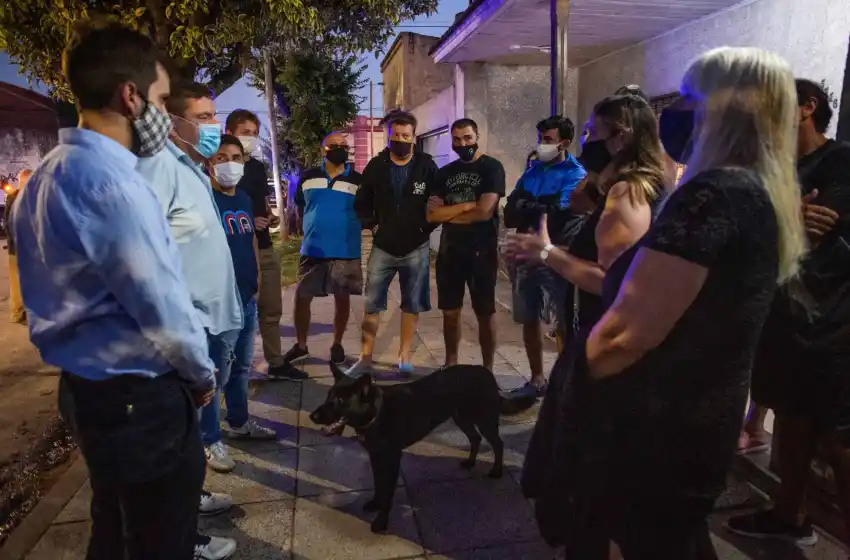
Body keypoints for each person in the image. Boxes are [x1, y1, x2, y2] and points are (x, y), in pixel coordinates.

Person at [510, 46, 806, 558]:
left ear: (726, 111)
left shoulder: (713, 195)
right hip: (699, 419)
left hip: (656, 427)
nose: (674, 112)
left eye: (690, 98)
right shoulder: (759, 191)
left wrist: (572, 410)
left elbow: (624, 335)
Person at [11, 23, 226, 560]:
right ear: (130, 97)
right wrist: (200, 374)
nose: (161, 112)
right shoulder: (115, 184)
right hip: (140, 397)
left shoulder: (45, 176)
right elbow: (160, 303)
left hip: (88, 389)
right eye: (158, 98)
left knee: (112, 526)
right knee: (159, 538)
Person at [727, 79, 850, 545]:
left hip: (834, 322)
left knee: (840, 439)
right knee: (792, 422)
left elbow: (823, 224)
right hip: (782, 318)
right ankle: (788, 516)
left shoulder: (840, 161)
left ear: (806, 108)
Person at [138, 83, 275, 482]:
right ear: (174, 123)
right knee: (212, 377)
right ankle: (208, 440)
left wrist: (257, 279)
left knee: (239, 369)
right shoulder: (161, 172)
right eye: (205, 118)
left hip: (236, 302)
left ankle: (238, 423)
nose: (215, 124)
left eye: (214, 115)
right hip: (199, 313)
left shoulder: (194, 173)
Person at [502, 116, 586, 399]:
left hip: (556, 255)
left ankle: (566, 385)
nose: (542, 145)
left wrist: (527, 206)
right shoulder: (532, 171)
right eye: (541, 139)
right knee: (529, 317)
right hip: (526, 253)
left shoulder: (575, 173)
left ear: (564, 142)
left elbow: (560, 217)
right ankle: (537, 380)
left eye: (548, 140)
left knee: (563, 322)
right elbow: (510, 213)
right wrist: (536, 207)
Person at [349, 111, 439, 376]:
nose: (400, 140)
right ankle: (365, 359)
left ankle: (404, 355)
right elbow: (361, 202)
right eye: (395, 136)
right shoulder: (376, 167)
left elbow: (438, 202)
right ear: (388, 137)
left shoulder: (427, 166)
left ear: (413, 136)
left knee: (412, 304)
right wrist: (372, 224)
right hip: (383, 247)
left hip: (416, 246)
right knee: (372, 303)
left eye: (405, 136)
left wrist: (426, 228)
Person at [426, 118, 506, 370]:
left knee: (485, 313)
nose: (463, 144)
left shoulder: (491, 168)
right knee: (450, 314)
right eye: (457, 139)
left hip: (482, 252)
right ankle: (451, 365)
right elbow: (431, 216)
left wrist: (449, 213)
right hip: (450, 252)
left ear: (477, 136)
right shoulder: (444, 172)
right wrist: (465, 206)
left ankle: (487, 369)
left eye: (467, 138)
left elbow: (484, 212)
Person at [288, 132, 364, 366]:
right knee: (302, 297)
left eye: (344, 145)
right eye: (334, 145)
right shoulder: (308, 176)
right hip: (312, 249)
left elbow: (366, 210)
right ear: (324, 150)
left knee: (342, 299)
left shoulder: (358, 181)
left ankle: (337, 344)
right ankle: (301, 345)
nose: (340, 148)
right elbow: (300, 207)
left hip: (346, 249)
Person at [225, 110, 290, 379]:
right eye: (245, 132)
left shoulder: (256, 168)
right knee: (240, 314)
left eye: (254, 133)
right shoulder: (221, 168)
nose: (250, 138)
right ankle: (235, 369)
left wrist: (269, 215)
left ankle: (276, 362)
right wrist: (248, 221)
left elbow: (262, 202)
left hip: (264, 247)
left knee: (271, 308)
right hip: (236, 252)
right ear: (230, 133)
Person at [5, 169, 30, 324]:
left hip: (27, 248)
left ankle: (26, 310)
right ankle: (17, 312)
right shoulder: (13, 198)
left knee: (27, 280)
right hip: (16, 248)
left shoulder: (27, 198)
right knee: (16, 283)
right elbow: (8, 224)